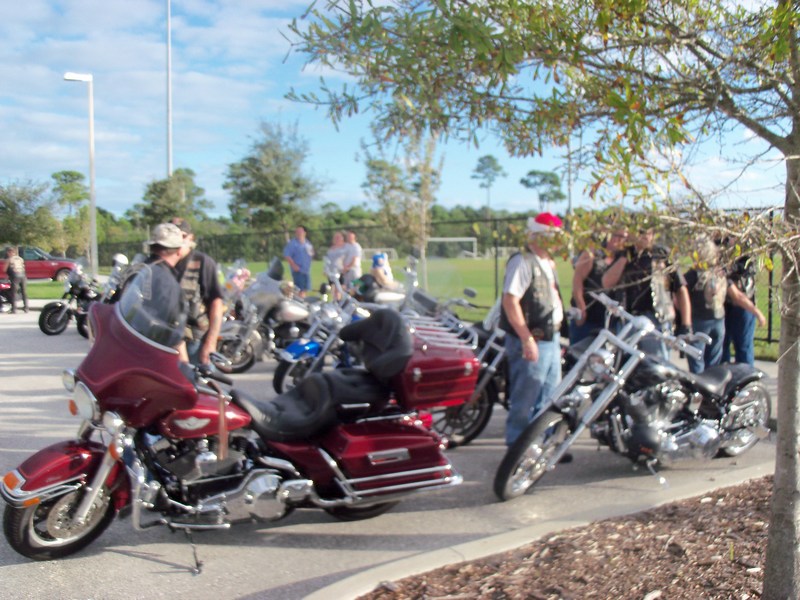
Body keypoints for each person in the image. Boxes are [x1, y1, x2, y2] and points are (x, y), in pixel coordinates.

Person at [499, 212, 566, 447]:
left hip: (550, 337)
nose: (558, 242)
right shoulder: (523, 261)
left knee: (549, 396)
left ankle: (543, 445)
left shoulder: (547, 262)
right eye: (553, 237)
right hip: (533, 339)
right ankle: (517, 449)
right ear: (539, 236)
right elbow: (510, 301)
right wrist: (526, 338)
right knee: (525, 399)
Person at [602, 224, 692, 361]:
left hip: (657, 319)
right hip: (628, 319)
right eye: (639, 232)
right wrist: (626, 256)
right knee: (624, 364)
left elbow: (681, 289)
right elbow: (607, 282)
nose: (643, 236)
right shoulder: (624, 254)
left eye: (647, 232)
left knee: (657, 364)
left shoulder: (660, 254)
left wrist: (686, 324)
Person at [683, 236, 767, 373]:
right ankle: (715, 385)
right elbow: (738, 296)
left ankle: (700, 387)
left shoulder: (693, 275)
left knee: (696, 358)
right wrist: (757, 312)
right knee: (714, 360)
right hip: (718, 321)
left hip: (699, 322)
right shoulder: (720, 275)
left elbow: (680, 296)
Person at [171, 218, 225, 366]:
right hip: (168, 337)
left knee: (199, 385)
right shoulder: (162, 262)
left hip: (195, 338)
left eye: (183, 236)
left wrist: (210, 342)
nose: (178, 241)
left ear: (190, 238)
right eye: (173, 236)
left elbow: (216, 302)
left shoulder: (203, 262)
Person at [569, 226, 629, 343]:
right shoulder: (593, 252)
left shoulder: (622, 258)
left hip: (609, 318)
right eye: (616, 235)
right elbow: (577, 281)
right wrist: (581, 307)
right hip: (588, 314)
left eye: (623, 237)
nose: (618, 240)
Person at [141, 223, 190, 356]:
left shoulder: (139, 270)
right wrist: (183, 363)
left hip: (129, 346)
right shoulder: (166, 281)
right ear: (179, 250)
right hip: (153, 353)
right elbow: (172, 325)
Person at [722, 248, 762, 366]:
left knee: (743, 346)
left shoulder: (746, 245)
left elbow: (747, 267)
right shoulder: (720, 245)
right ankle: (724, 377)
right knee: (723, 346)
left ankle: (746, 378)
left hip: (743, 305)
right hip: (723, 305)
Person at [283, 225, 314, 297]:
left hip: (306, 270)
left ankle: (303, 302)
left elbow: (311, 253)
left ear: (304, 233)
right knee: (299, 289)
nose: (298, 233)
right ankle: (299, 303)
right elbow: (287, 255)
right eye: (297, 231)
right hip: (298, 270)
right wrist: (293, 265)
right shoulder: (292, 243)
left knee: (305, 289)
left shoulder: (308, 243)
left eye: (300, 231)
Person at [5, 247, 28, 314]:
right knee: (24, 292)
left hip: (15, 276)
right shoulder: (20, 259)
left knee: (13, 292)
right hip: (23, 276)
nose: (8, 254)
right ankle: (26, 308)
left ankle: (14, 309)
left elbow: (4, 269)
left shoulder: (9, 259)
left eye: (8, 252)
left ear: (10, 252)